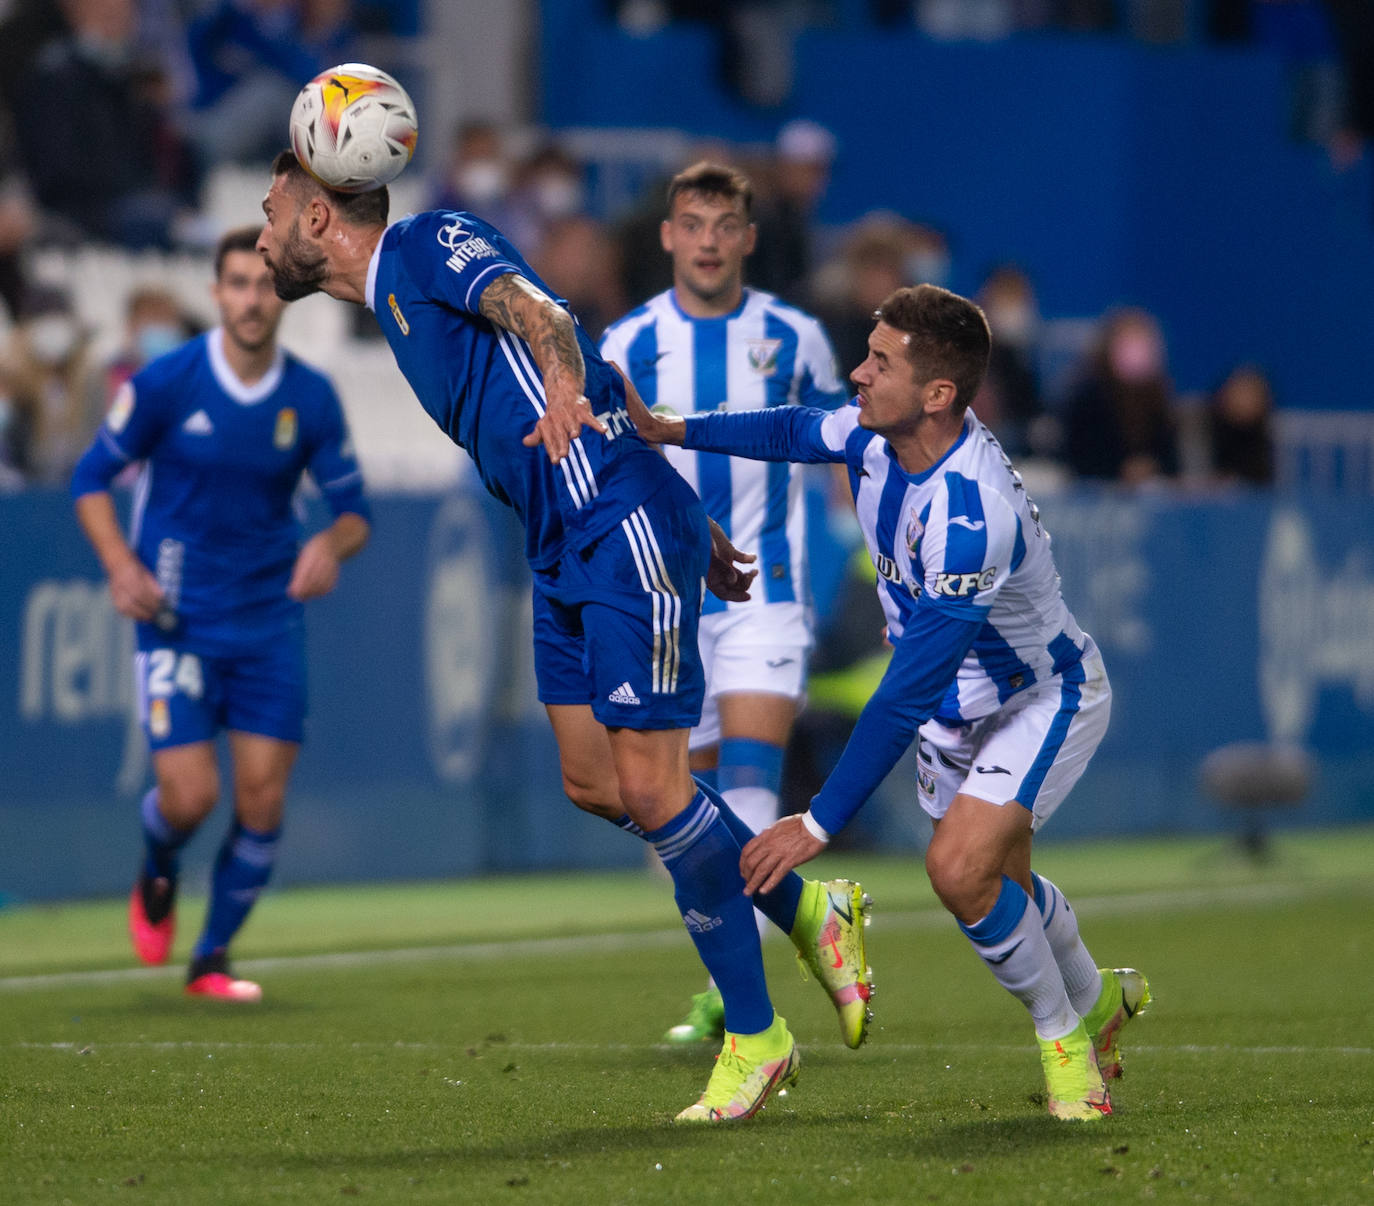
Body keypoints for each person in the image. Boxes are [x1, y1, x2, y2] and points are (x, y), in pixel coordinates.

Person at [254, 146, 872, 1123]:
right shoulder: (396, 303)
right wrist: (689, 514)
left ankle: (757, 1039)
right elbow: (604, 361)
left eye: (273, 209)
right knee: (593, 781)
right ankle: (805, 906)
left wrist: (563, 391)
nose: (262, 231)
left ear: (321, 218)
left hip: (609, 528)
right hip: (566, 540)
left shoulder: (418, 247)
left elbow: (540, 311)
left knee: (654, 789)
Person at [626, 283, 1151, 1123]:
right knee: (999, 876)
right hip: (956, 702)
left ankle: (1065, 1043)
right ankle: (1095, 1002)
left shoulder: (971, 513)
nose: (855, 374)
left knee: (958, 869)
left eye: (878, 362)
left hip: (1038, 696)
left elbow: (905, 692)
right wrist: (673, 428)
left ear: (938, 395)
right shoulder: (875, 440)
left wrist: (818, 821)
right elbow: (798, 428)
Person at [70, 226, 371, 1001]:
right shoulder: (167, 382)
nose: (250, 298)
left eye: (264, 284)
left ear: (284, 294)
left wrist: (331, 548)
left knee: (263, 798)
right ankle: (159, 858)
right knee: (190, 797)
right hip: (177, 617)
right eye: (236, 283)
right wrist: (118, 564)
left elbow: (354, 511)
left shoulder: (309, 396)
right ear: (216, 293)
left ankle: (210, 959)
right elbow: (89, 477)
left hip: (268, 622)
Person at [599, 160, 851, 1046]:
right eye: (692, 224)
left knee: (746, 798)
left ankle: (754, 1002)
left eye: (724, 225)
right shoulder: (628, 345)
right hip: (671, 609)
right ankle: (738, 982)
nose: (708, 241)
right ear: (668, 236)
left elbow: (844, 443)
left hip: (767, 598)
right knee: (683, 814)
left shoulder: (794, 339)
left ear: (747, 237)